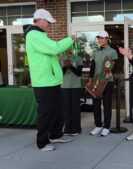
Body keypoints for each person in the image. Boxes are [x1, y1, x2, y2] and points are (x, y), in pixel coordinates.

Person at [24, 9, 76, 151]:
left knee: (58, 110)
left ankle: (56, 134)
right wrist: (70, 39)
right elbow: (55, 48)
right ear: (39, 20)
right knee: (47, 112)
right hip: (44, 82)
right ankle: (42, 142)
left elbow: (52, 51)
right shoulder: (34, 35)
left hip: (51, 81)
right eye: (48, 22)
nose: (49, 25)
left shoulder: (40, 35)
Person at [88, 31, 118, 137]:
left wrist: (110, 73)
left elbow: (115, 66)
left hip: (107, 82)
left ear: (107, 39)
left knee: (107, 104)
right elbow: (92, 67)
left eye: (102, 38)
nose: (100, 40)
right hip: (96, 81)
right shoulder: (95, 52)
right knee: (96, 104)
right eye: (99, 38)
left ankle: (106, 127)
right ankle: (98, 125)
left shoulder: (112, 51)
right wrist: (90, 79)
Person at [60, 48, 83, 136]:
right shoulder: (61, 59)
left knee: (75, 108)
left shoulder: (78, 58)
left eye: (70, 46)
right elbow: (60, 74)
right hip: (64, 87)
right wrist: (65, 66)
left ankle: (76, 129)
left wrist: (70, 65)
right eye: (66, 47)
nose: (69, 48)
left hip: (75, 87)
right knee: (66, 109)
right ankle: (67, 128)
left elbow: (78, 73)